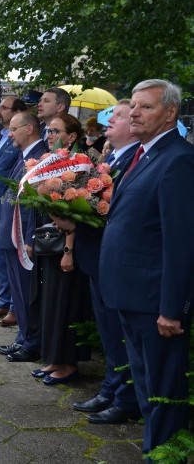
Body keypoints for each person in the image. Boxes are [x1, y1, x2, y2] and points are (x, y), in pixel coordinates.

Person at [98, 79, 194, 455]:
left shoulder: (179, 160)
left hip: (156, 303)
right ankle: (154, 450)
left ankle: (165, 455)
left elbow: (181, 242)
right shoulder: (144, 154)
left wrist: (173, 309)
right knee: (146, 385)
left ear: (170, 113)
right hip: (130, 294)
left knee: (163, 390)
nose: (134, 113)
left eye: (145, 107)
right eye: (132, 106)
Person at [60, 99, 140, 424]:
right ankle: (111, 387)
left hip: (113, 258)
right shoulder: (110, 156)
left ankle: (123, 396)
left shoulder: (134, 159)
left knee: (117, 330)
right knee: (107, 329)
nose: (110, 120)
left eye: (118, 116)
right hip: (96, 255)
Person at [34, 116, 92, 385]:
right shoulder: (51, 160)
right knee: (52, 302)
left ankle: (68, 363)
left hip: (70, 244)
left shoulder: (81, 163)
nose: (49, 134)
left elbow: (79, 211)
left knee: (66, 304)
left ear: (71, 137)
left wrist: (69, 248)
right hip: (54, 242)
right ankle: (55, 358)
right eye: (48, 130)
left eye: (56, 131)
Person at [0, 112, 48, 362]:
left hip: (23, 236)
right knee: (18, 292)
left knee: (27, 292)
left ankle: (32, 342)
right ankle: (23, 337)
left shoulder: (40, 156)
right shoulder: (25, 154)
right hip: (12, 232)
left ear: (29, 129)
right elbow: (12, 191)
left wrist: (29, 238)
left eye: (13, 128)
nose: (9, 133)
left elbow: (35, 204)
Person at [0, 96, 27, 326]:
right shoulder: (1, 135)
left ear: (18, 111)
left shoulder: (17, 140)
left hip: (9, 207)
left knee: (9, 259)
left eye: (3, 107)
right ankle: (3, 301)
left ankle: (12, 306)